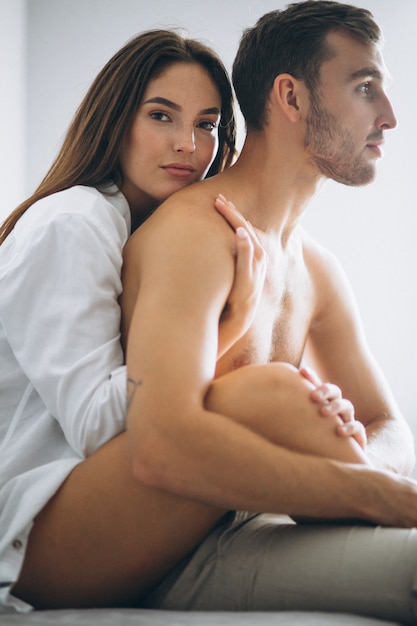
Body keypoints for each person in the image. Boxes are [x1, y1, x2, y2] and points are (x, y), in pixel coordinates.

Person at [2, 23, 366, 616]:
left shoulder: (142, 232)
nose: (189, 146)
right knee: (268, 394)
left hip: (112, 503)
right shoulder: (73, 222)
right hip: (31, 530)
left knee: (279, 404)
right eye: (161, 116)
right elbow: (98, 422)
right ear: (116, 120)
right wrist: (234, 325)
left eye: (206, 124)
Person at [99, 1, 417, 622]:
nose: (390, 117)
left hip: (253, 517)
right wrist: (381, 492)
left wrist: (362, 454)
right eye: (364, 87)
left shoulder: (315, 267)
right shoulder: (196, 233)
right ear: (291, 98)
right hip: (167, 548)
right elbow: (158, 445)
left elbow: (389, 424)